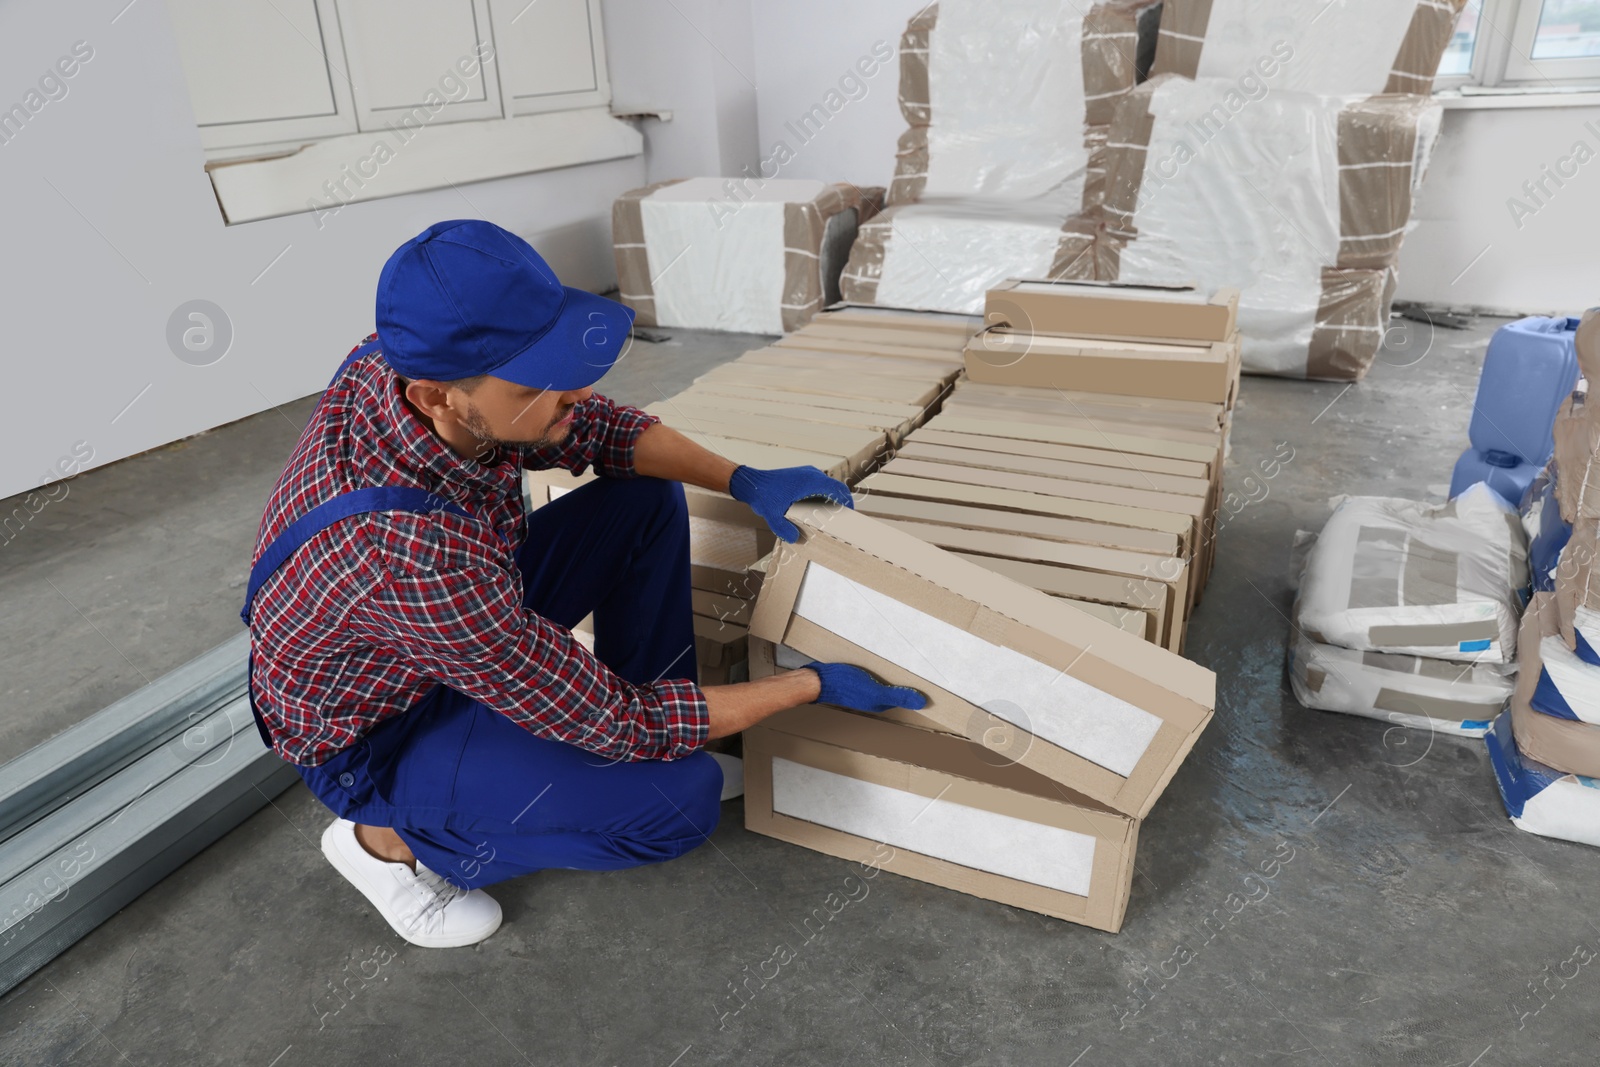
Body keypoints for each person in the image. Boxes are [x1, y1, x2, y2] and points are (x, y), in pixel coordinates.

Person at [241, 219, 926, 948]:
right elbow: (620, 721)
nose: (575, 391)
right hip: (380, 731)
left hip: (442, 627)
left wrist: (740, 477)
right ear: (435, 397)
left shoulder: (409, 359)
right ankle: (389, 844)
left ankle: (641, 753)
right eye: (539, 383)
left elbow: (591, 426)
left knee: (643, 495)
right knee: (678, 805)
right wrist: (808, 686)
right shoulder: (406, 556)